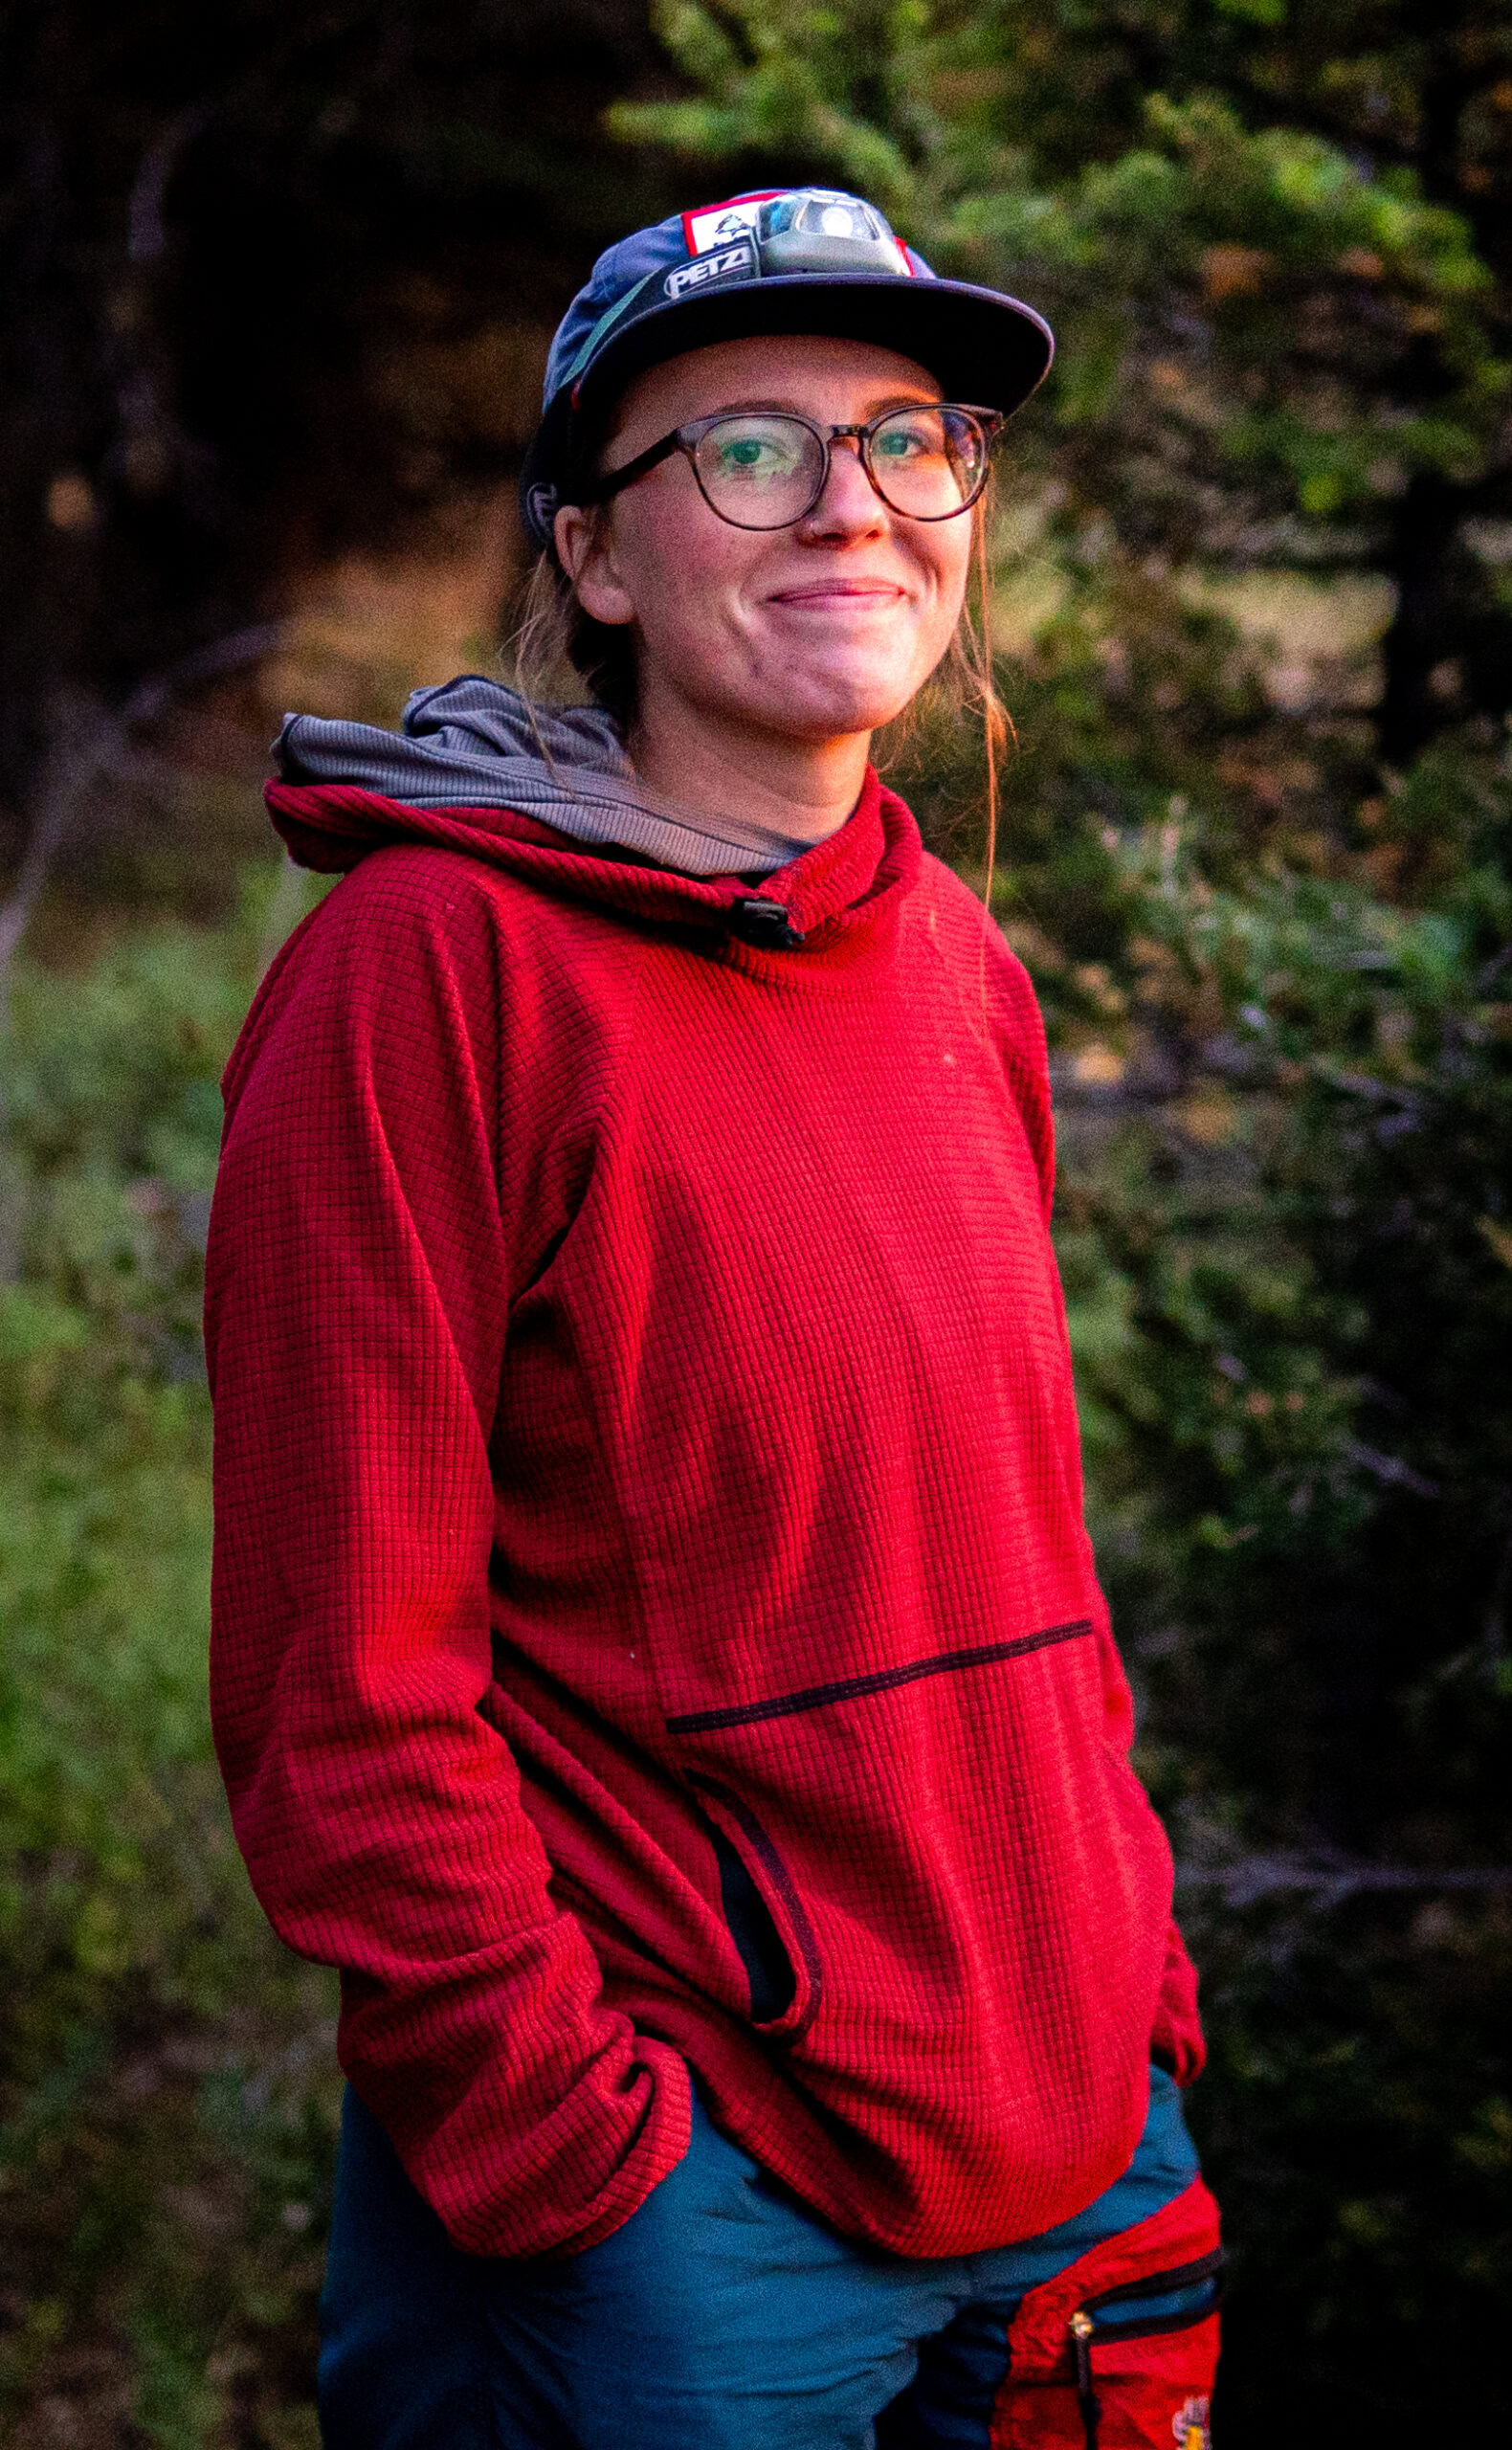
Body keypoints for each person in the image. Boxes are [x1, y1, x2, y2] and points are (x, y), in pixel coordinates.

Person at [205, 185, 1222, 2450]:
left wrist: (1133, 1984)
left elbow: (1017, 1557)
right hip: (695, 2215)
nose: (852, 504)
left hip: (1077, 2138)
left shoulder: (956, 961)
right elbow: (335, 1692)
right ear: (591, 554)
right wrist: (576, 2154)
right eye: (747, 450)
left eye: (906, 437)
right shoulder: (430, 973)